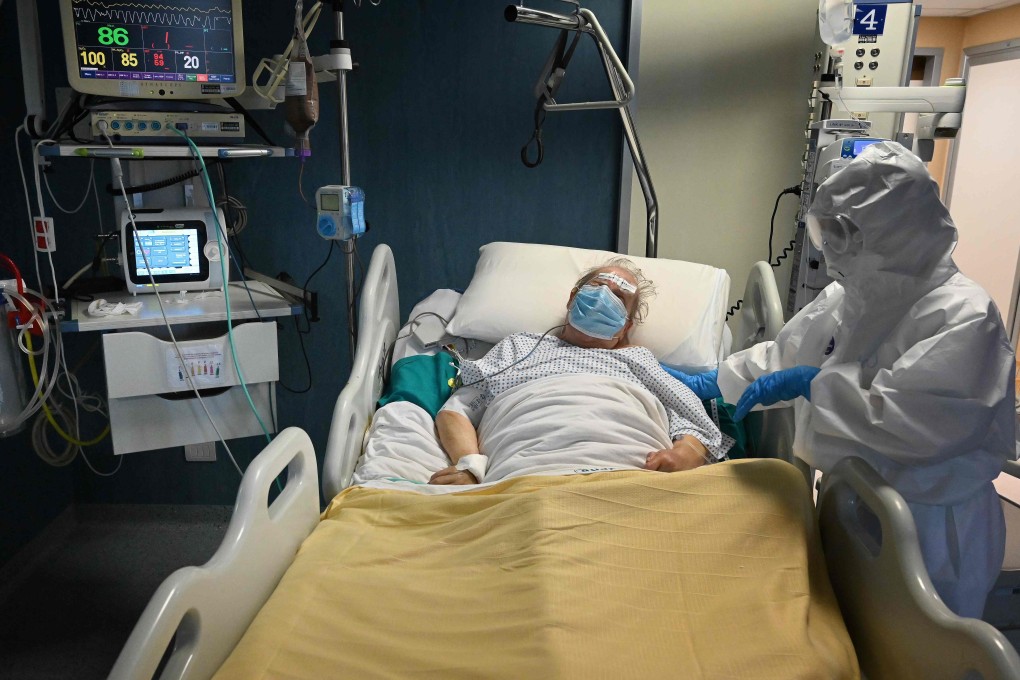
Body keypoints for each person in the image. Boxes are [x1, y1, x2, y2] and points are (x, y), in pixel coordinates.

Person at [675, 141, 1016, 618]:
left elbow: (912, 423)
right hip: (859, 502)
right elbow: (786, 354)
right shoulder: (853, 294)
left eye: (845, 230)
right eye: (827, 229)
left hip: (931, 526)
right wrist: (716, 380)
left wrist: (815, 386)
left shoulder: (965, 316)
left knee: (919, 645)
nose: (832, 245)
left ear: (897, 230)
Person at [429, 258, 731, 486]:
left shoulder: (639, 360)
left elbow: (696, 424)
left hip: (633, 476)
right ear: (573, 298)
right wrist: (470, 466)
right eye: (597, 287)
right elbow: (458, 410)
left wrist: (682, 455)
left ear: (625, 326)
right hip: (528, 473)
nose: (604, 297)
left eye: (619, 298)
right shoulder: (522, 346)